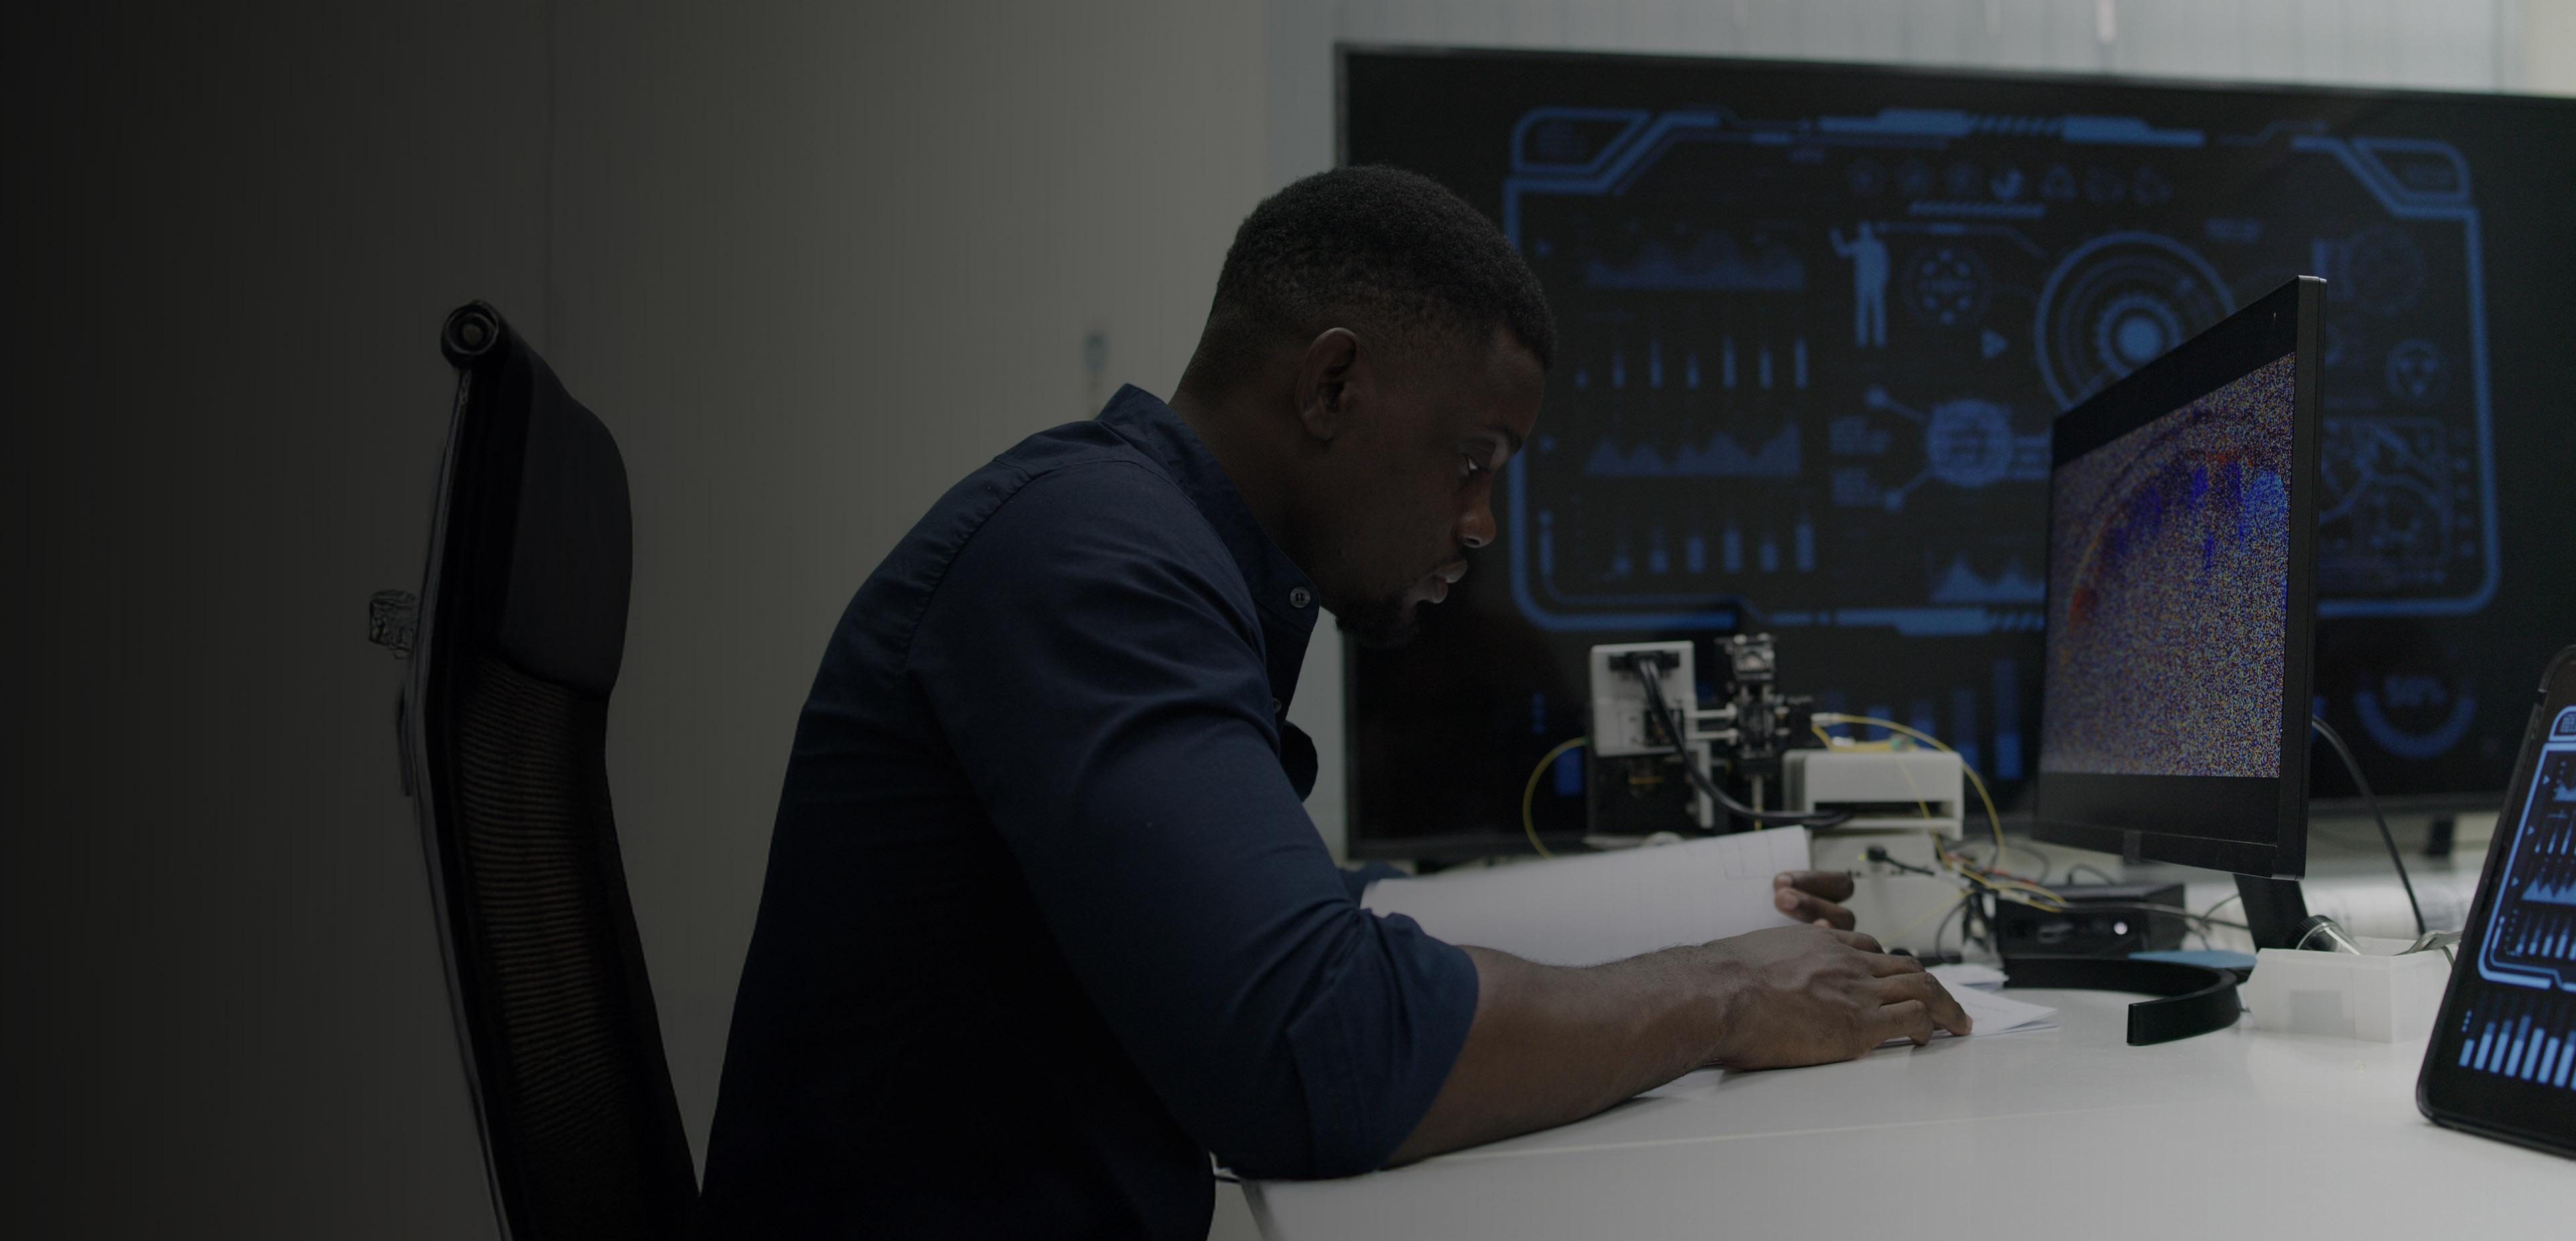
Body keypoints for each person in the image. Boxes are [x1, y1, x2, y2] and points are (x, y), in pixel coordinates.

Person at [694, 166, 1969, 1240]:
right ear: (1333, 385)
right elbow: (1313, 1048)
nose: (1480, 524)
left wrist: (1701, 918)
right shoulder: (1089, 563)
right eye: (1472, 461)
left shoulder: (1139, 544)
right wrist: (1725, 994)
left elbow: (1304, 928)